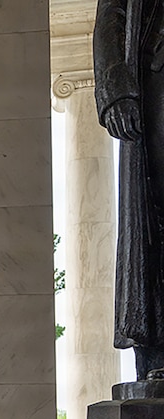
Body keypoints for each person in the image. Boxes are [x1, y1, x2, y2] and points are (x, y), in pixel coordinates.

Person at [94, 0, 164, 379]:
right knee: (155, 220)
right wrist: (115, 86)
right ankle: (157, 357)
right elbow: (112, 12)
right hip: (155, 83)